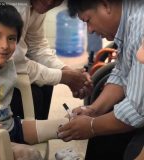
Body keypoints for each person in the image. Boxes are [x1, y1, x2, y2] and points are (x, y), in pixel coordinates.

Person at [58, 0, 144, 160]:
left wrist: (91, 127)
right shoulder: (128, 23)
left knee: (130, 149)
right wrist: (93, 111)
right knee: (103, 132)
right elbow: (121, 73)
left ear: (105, 5)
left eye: (88, 20)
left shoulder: (141, 24)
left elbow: (137, 110)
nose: (89, 30)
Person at [0, 4, 69, 160]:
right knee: (30, 154)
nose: (4, 45)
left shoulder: (9, 64)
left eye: (11, 38)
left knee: (66, 126)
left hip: (9, 125)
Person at [10, 0, 92, 120]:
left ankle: (36, 135)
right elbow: (14, 63)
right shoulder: (14, 6)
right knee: (33, 95)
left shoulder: (37, 7)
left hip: (11, 65)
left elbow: (37, 46)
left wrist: (67, 71)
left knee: (46, 85)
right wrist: (64, 76)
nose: (49, 2)